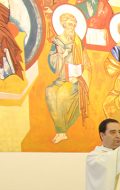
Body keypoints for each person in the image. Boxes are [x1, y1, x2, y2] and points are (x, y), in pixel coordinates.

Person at [45, 11, 91, 144]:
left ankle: (61, 130)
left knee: (62, 95)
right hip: (62, 78)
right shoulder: (58, 41)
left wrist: (79, 76)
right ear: (63, 24)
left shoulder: (78, 42)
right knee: (50, 92)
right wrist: (61, 55)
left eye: (74, 24)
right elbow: (53, 63)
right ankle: (61, 129)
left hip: (76, 79)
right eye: (69, 24)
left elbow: (86, 63)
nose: (72, 27)